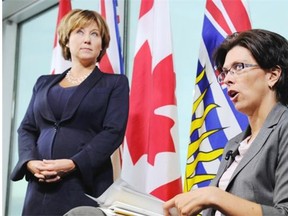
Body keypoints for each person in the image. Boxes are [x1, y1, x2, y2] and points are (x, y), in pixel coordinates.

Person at [10, 9, 129, 216]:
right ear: (66, 40)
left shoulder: (114, 84)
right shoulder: (43, 83)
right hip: (38, 188)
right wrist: (29, 162)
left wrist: (74, 163)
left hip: (85, 185)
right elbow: (27, 128)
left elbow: (113, 132)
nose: (87, 40)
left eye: (95, 34)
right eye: (80, 32)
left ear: (102, 44)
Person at [163, 29, 288, 216]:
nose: (227, 79)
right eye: (225, 72)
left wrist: (215, 196)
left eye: (239, 67)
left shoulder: (283, 127)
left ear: (273, 75)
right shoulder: (235, 144)